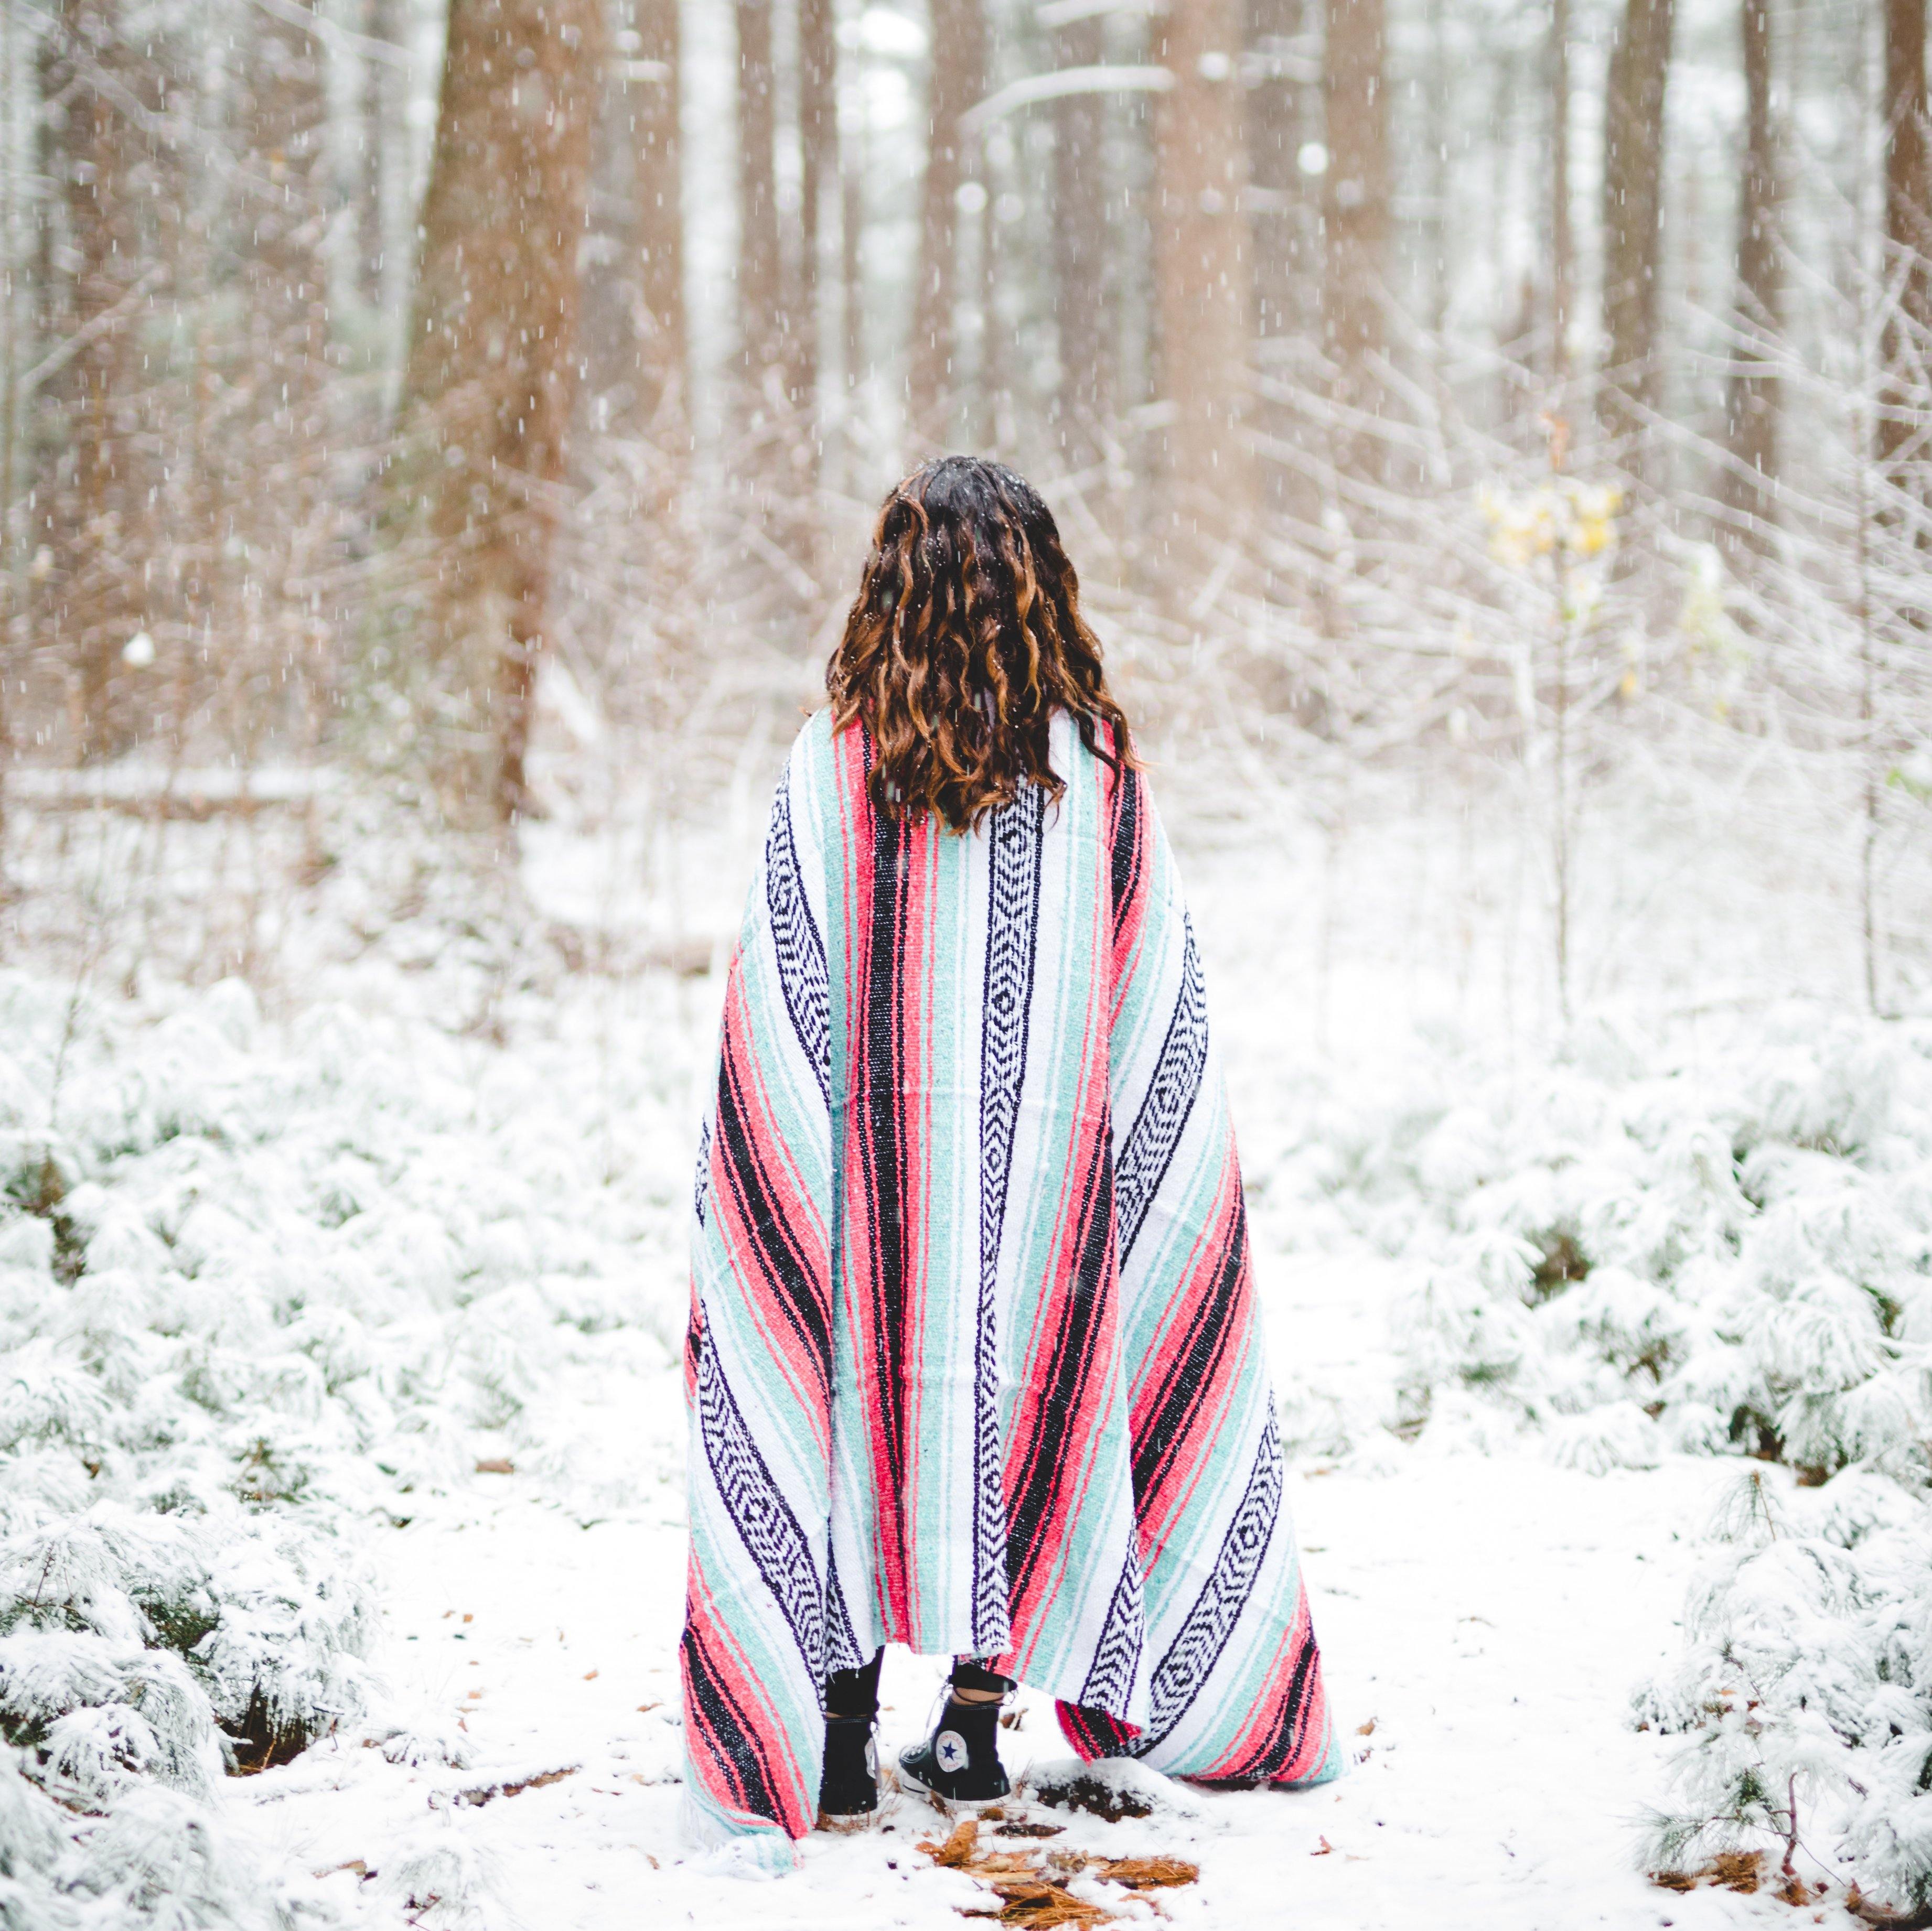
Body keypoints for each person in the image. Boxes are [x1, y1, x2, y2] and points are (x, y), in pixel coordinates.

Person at [679, 456, 1340, 1867]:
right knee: (1009, 1405)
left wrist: (789, 1170)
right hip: (1040, 1204)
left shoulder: (834, 761)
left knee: (858, 1408)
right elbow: (1152, 1001)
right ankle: (979, 1717)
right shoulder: (1096, 773)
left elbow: (779, 998)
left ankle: (845, 1728)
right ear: (1040, 584)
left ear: (887, 588)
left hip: (870, 1197)